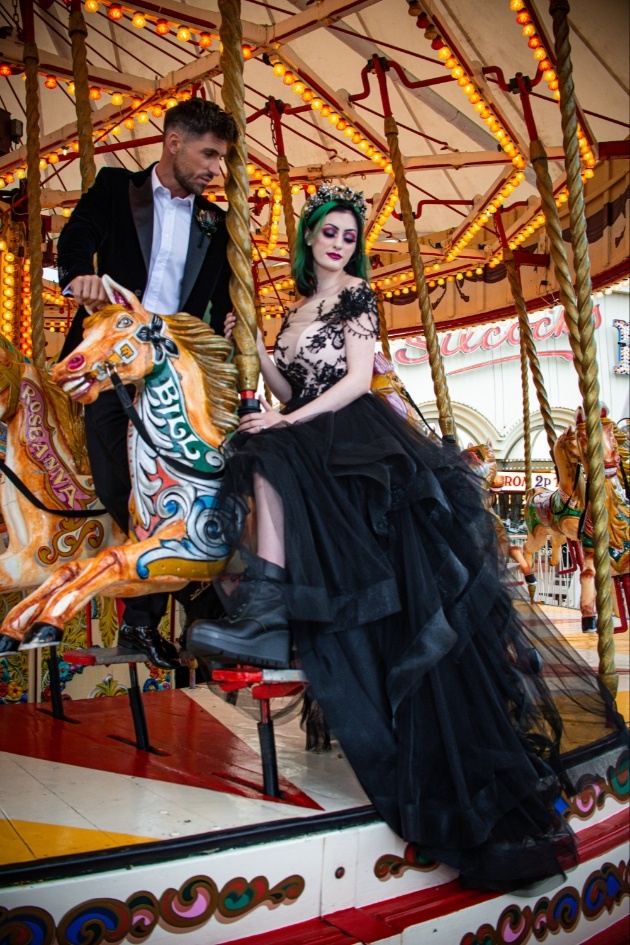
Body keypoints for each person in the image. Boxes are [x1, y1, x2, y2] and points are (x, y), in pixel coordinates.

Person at [187, 183, 625, 891]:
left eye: (347, 235)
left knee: (267, 454)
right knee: (254, 451)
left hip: (353, 437)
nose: (338, 243)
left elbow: (357, 380)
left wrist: (288, 422)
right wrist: (254, 350)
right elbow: (289, 380)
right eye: (327, 233)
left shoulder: (357, 298)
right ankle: (268, 612)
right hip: (313, 427)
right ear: (308, 240)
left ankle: (267, 612)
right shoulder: (297, 309)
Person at [56, 98, 238, 668]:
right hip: (116, 360)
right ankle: (193, 586)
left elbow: (225, 294)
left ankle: (144, 620)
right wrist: (78, 277)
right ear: (174, 141)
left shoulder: (217, 220)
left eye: (223, 157)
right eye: (209, 154)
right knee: (120, 481)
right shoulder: (116, 188)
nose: (217, 168)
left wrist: (229, 322)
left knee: (190, 485)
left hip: (174, 370)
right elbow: (75, 236)